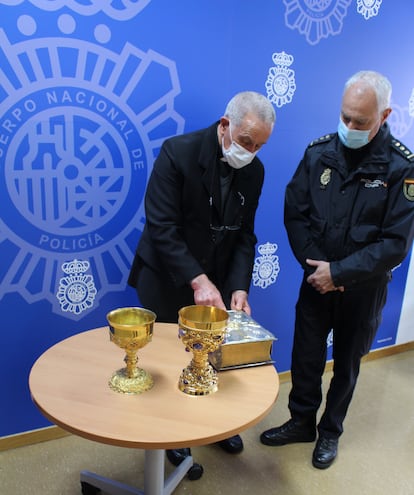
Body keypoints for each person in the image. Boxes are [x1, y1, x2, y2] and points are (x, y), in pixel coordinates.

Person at [260, 70, 414, 469]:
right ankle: (300, 421)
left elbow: (394, 244)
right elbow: (295, 213)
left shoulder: (401, 168)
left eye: (360, 121)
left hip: (362, 290)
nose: (349, 127)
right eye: (345, 116)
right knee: (306, 355)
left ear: (385, 115)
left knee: (346, 363)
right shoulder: (319, 153)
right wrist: (316, 269)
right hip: (315, 281)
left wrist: (340, 273)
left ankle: (330, 432)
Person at [128, 91, 276, 467]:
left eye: (259, 145)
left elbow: (245, 235)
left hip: (219, 277)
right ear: (225, 125)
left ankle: (215, 427)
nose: (251, 151)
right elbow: (162, 227)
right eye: (246, 142)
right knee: (166, 360)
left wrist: (239, 285)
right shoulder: (178, 152)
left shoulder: (254, 171)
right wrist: (197, 278)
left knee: (210, 357)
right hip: (168, 275)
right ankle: (172, 436)